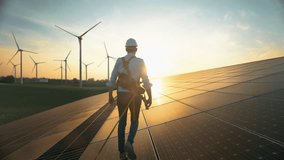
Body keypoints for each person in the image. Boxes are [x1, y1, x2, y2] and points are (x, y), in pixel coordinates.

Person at [107, 38, 152, 160]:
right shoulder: (140, 62)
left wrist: (110, 96)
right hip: (135, 96)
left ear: (126, 49)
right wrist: (149, 97)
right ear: (136, 49)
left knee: (122, 123)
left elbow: (112, 79)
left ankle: (122, 153)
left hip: (121, 96)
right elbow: (146, 81)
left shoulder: (119, 61)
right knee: (135, 120)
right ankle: (129, 142)